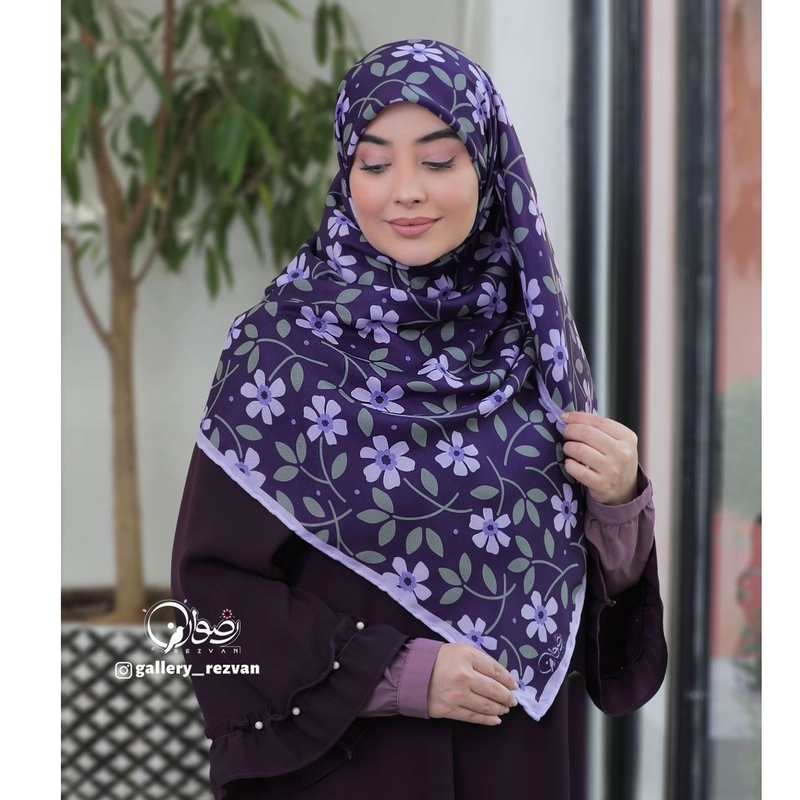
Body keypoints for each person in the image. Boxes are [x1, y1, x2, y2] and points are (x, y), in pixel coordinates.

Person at [171, 38, 667, 800]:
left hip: (519, 765)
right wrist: (396, 673)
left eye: (438, 161)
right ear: (347, 175)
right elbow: (213, 595)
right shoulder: (279, 356)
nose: (405, 191)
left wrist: (619, 505)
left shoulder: (534, 347)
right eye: (375, 163)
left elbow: (579, 609)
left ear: (489, 169)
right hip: (350, 768)